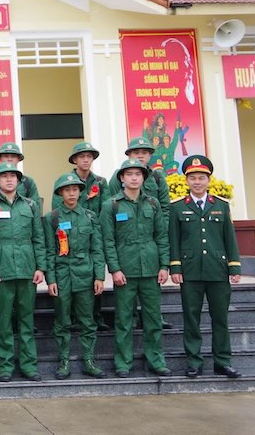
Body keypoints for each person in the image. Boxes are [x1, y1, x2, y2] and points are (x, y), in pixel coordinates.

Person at [169, 155, 242, 378]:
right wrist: (175, 268)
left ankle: (223, 361)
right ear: (186, 181)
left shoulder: (221, 205)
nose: (197, 182)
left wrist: (234, 267)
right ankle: (194, 362)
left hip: (217, 270)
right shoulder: (178, 207)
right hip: (190, 272)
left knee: (220, 318)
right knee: (192, 318)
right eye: (193, 178)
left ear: (208, 180)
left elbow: (230, 239)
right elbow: (174, 239)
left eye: (201, 177)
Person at [101, 158, 171, 378]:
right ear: (121, 178)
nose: (134, 178)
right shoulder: (111, 205)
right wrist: (114, 269)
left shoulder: (152, 203)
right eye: (129, 174)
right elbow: (108, 240)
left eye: (138, 174)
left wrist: (164, 265)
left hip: (150, 269)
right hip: (126, 270)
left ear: (143, 178)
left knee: (152, 318)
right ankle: (123, 362)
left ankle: (156, 360)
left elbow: (161, 236)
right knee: (123, 320)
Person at [0, 162, 46, 382]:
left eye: (13, 176)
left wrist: (40, 267)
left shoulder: (30, 205)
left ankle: (28, 365)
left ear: (18, 181)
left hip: (27, 269)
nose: (9, 180)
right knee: (3, 321)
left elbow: (38, 238)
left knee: (26, 320)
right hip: (1, 270)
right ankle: (5, 366)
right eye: (4, 176)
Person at [44, 173, 106, 380]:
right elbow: (49, 251)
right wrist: (50, 279)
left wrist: (99, 276)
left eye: (75, 189)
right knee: (62, 320)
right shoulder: (52, 218)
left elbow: (97, 249)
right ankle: (64, 360)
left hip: (85, 274)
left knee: (88, 320)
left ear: (80, 192)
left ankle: (89, 359)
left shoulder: (90, 217)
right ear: (60, 193)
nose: (71, 193)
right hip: (62, 275)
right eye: (67, 190)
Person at [53, 141, 111, 331]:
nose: (86, 160)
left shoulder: (101, 182)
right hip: (68, 233)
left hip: (92, 230)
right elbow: (57, 210)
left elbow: (106, 209)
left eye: (89, 156)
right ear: (75, 160)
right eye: (82, 156)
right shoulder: (65, 182)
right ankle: (72, 317)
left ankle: (96, 315)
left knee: (93, 273)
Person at [0, 142, 41, 208]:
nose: (9, 159)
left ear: (18, 159)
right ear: (0, 158)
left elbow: (36, 207)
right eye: (6, 156)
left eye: (13, 156)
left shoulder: (28, 182)